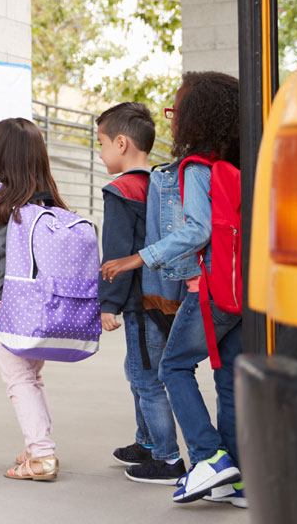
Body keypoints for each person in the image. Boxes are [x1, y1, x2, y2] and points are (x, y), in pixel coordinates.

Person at [101, 72, 244, 507]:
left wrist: (136, 258)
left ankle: (208, 456)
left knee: (173, 367)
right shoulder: (239, 165)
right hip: (242, 290)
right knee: (228, 380)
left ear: (196, 119)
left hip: (211, 289)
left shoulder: (196, 169)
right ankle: (239, 478)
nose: (173, 121)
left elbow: (197, 230)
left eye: (177, 111)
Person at [0, 117, 71, 482]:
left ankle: (42, 456)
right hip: (47, 309)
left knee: (19, 381)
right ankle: (39, 445)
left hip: (11, 310)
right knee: (32, 379)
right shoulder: (52, 203)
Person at [95, 103, 186, 486]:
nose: (99, 153)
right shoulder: (161, 185)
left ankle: (167, 458)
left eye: (100, 143)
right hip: (166, 296)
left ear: (121, 143)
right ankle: (146, 441)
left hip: (138, 301)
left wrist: (108, 304)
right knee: (140, 372)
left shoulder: (121, 190)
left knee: (147, 377)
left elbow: (115, 252)